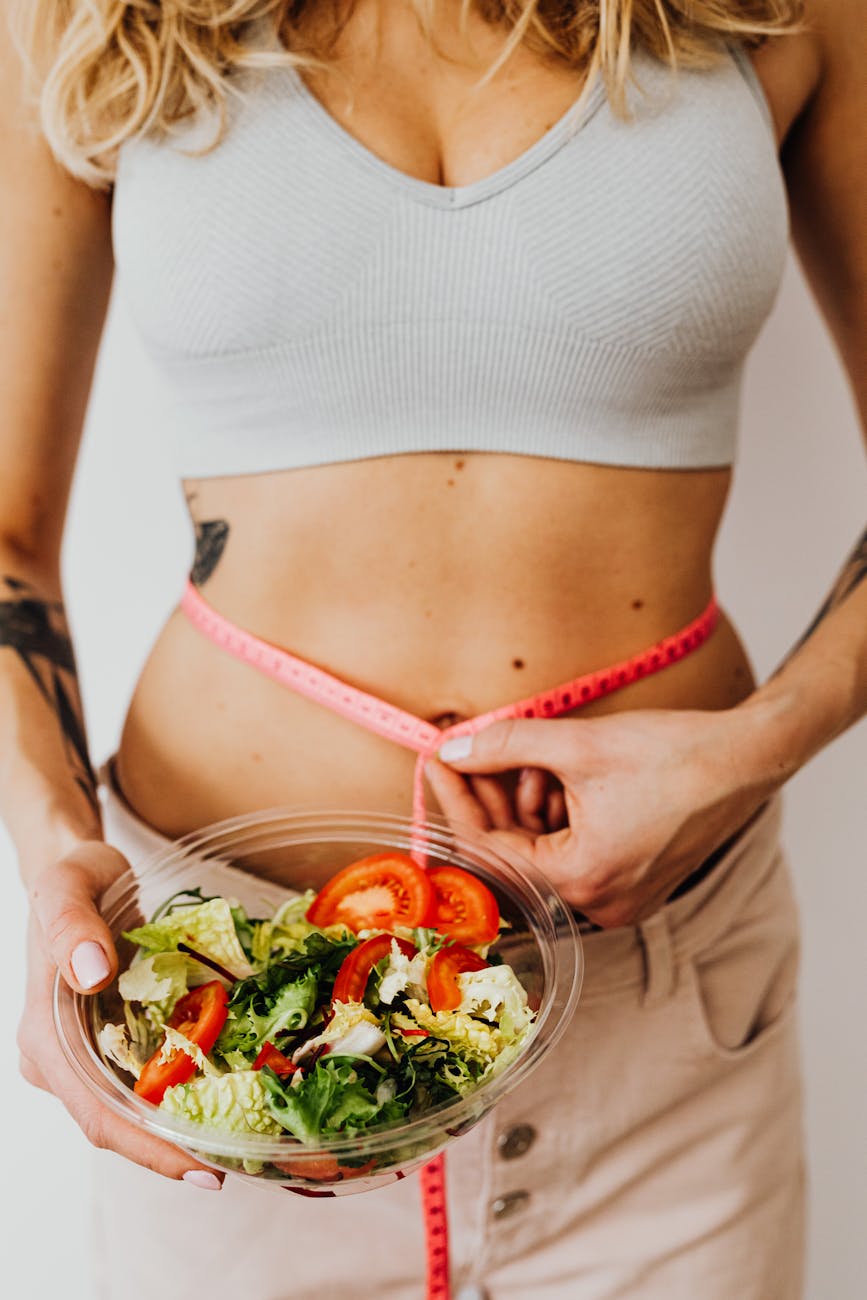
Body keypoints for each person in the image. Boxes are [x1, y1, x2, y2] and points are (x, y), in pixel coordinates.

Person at [2, 0, 865, 1296]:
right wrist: (57, 855)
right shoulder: (78, 15)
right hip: (225, 1027)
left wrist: (751, 751)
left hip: (663, 1017)